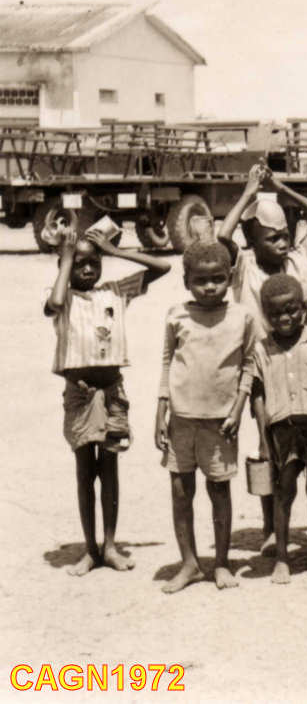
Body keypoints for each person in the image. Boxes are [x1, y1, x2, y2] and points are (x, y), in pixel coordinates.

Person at [218, 163, 307, 558]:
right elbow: (222, 237)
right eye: (272, 238)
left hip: (305, 365)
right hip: (264, 368)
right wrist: (249, 191)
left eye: (285, 235)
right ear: (253, 240)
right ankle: (270, 526)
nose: (282, 243)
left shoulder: (298, 260)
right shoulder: (244, 267)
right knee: (269, 445)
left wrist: (281, 188)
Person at [45, 225, 170, 576]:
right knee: (85, 471)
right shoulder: (62, 295)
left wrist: (115, 252)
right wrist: (66, 259)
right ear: (65, 265)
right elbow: (55, 304)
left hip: (113, 391)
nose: (88, 269)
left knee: (110, 469)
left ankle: (110, 546)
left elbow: (163, 267)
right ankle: (90, 549)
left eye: (94, 262)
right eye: (79, 263)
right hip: (80, 394)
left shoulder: (115, 292)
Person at [155, 240, 255, 593]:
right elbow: (167, 361)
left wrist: (238, 409)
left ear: (230, 277)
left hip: (220, 422)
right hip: (181, 420)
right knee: (180, 491)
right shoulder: (176, 315)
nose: (209, 287)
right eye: (200, 280)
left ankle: (222, 563)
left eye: (217, 279)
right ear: (186, 281)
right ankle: (189, 563)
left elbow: (249, 364)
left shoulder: (242, 317)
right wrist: (160, 411)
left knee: (219, 491)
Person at [247, 274, 307, 583]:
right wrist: (263, 439)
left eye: (291, 310)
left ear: (304, 308)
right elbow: (257, 397)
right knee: (283, 492)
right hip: (281, 431)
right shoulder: (261, 349)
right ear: (265, 315)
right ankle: (282, 559)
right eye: (274, 314)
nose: (284, 318)